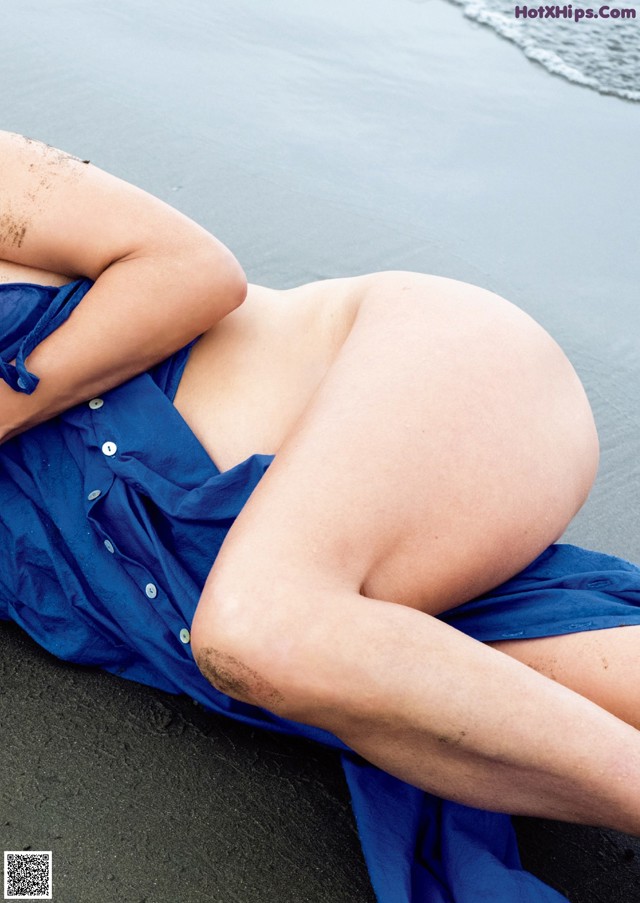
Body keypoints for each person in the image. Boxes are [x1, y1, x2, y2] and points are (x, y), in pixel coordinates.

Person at [2, 128, 640, 903]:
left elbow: (192, 271)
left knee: (263, 629)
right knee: (518, 678)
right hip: (283, 569)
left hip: (405, 377)